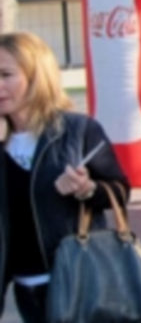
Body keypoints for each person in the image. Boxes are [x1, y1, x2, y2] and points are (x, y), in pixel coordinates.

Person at [0, 32, 131, 322]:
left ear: (36, 76)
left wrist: (87, 189)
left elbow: (120, 191)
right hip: (26, 291)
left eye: (6, 74)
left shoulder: (78, 130)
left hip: (80, 283)